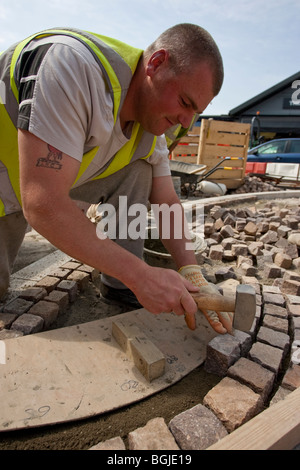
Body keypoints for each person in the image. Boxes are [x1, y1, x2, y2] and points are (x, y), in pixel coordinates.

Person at [0, 23, 233, 333]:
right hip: (8, 182)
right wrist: (142, 275)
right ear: (156, 63)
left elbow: (166, 201)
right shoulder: (71, 69)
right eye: (185, 103)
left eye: (196, 112)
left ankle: (119, 284)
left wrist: (190, 270)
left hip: (36, 180)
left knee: (141, 169)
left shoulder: (152, 126)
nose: (186, 121)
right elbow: (43, 204)